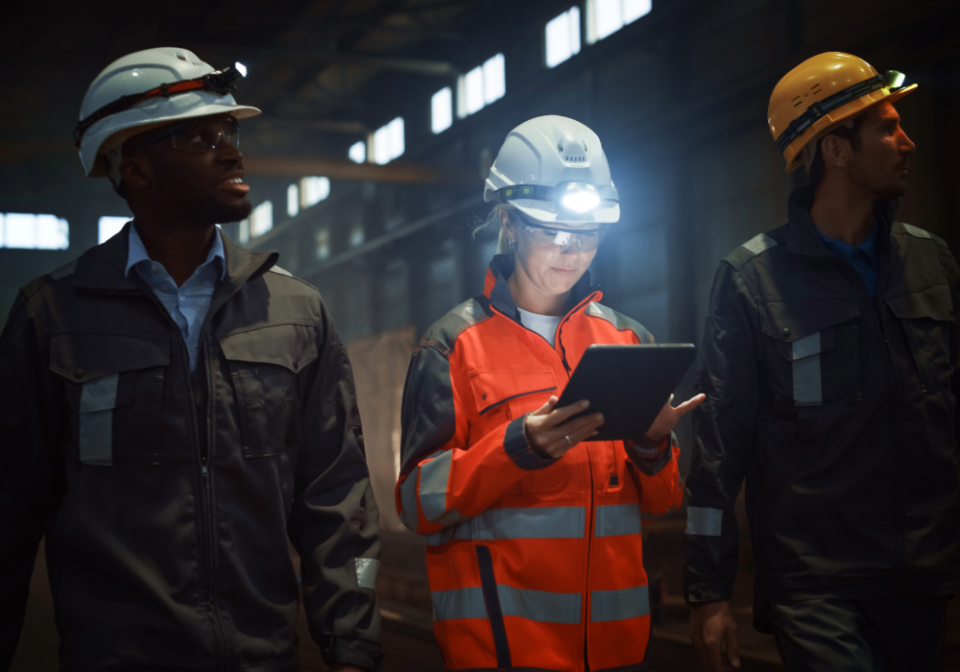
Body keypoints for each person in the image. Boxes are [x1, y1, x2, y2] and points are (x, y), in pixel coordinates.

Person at [0, 48, 383, 671]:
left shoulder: (295, 312)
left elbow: (339, 502)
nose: (232, 150)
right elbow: (8, 514)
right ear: (135, 169)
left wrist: (354, 645)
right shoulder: (53, 317)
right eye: (198, 137)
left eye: (229, 131)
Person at [395, 115, 704, 671]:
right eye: (550, 230)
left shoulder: (629, 339)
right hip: (501, 647)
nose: (571, 249)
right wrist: (517, 448)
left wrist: (653, 448)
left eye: (587, 234)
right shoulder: (452, 346)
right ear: (509, 223)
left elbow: (662, 501)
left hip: (615, 652)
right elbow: (417, 502)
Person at [685, 52, 959, 672]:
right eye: (887, 128)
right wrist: (709, 593)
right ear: (835, 151)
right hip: (815, 585)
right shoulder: (754, 280)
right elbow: (719, 449)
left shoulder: (931, 264)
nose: (907, 142)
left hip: (920, 579)